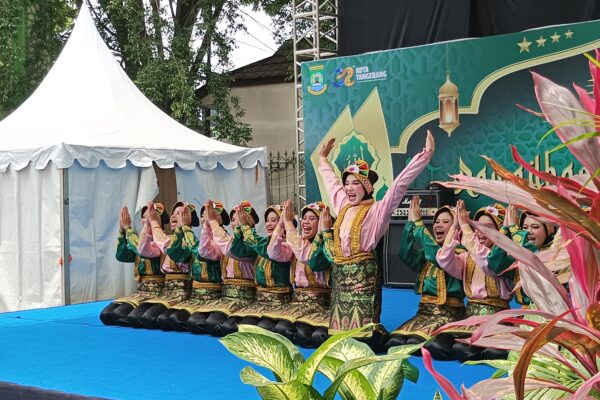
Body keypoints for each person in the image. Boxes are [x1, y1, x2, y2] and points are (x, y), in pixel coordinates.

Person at [317, 131, 434, 350]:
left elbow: (399, 184)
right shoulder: (343, 206)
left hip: (363, 276)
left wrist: (425, 155)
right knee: (337, 338)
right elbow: (331, 183)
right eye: (347, 183)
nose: (349, 188)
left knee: (364, 337)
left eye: (355, 183)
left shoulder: (378, 210)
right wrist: (323, 160)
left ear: (367, 187)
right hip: (341, 276)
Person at [384, 197, 466, 355]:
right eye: (436, 222)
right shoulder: (427, 254)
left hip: (447, 314)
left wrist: (419, 224)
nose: (438, 225)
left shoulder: (460, 254)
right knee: (395, 342)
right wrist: (410, 224)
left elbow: (440, 258)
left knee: (419, 343)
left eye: (445, 222)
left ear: (455, 227)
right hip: (423, 314)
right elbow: (405, 254)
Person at [436, 200, 513, 361]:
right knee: (437, 346)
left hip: (496, 319)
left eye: (488, 228)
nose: (480, 232)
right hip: (470, 317)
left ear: (499, 231)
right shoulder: (468, 257)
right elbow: (443, 259)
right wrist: (455, 227)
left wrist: (466, 227)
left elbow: (488, 263)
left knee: (489, 353)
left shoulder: (504, 258)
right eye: (477, 227)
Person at [265, 200, 332, 347]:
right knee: (277, 329)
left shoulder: (327, 246)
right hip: (298, 302)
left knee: (311, 336)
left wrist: (289, 223)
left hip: (322, 304)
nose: (306, 222)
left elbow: (307, 256)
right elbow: (273, 252)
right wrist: (281, 225)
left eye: (312, 218)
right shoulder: (297, 242)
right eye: (304, 218)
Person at [218, 204, 293, 336]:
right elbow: (237, 251)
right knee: (229, 327)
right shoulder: (261, 242)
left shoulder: (288, 245)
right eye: (267, 220)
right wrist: (240, 230)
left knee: (261, 331)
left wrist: (246, 227)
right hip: (259, 301)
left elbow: (270, 250)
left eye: (274, 220)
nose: (269, 224)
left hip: (279, 303)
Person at [126, 201, 198, 329]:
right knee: (131, 317)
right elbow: (142, 250)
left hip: (182, 292)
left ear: (188, 218)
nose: (174, 216)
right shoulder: (167, 239)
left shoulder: (190, 242)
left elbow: (171, 248)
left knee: (159, 320)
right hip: (165, 292)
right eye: (173, 213)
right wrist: (147, 226)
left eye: (179, 213)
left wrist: (154, 223)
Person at [191, 201, 258, 336]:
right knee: (196, 322)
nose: (237, 223)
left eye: (241, 218)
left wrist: (213, 222)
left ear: (252, 221)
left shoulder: (255, 243)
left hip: (246, 297)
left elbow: (234, 250)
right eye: (233, 220)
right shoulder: (227, 240)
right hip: (226, 296)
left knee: (225, 327)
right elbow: (204, 252)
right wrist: (207, 226)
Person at [158, 203, 227, 331]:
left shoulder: (224, 242)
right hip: (194, 295)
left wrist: (186, 227)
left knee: (196, 324)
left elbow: (202, 252)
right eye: (203, 215)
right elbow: (172, 251)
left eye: (210, 214)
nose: (205, 217)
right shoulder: (195, 242)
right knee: (164, 320)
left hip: (214, 296)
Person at [99, 205, 168, 326]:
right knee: (106, 315)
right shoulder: (141, 240)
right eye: (144, 217)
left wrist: (129, 228)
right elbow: (122, 256)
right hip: (140, 292)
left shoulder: (163, 241)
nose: (145, 220)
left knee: (121, 315)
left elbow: (140, 249)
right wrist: (122, 231)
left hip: (157, 292)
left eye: (150, 216)